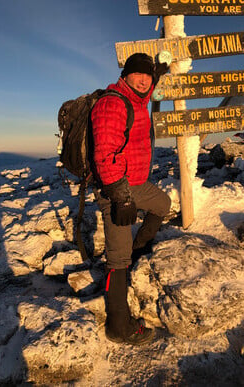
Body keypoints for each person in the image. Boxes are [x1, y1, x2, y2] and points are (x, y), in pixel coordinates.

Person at [90, 53, 171, 346]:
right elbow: (104, 155)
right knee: (117, 257)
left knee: (162, 204)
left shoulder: (136, 98)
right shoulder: (112, 103)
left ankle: (139, 250)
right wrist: (121, 198)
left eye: (148, 76)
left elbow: (146, 89)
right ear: (124, 76)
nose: (144, 80)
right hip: (114, 190)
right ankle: (118, 325)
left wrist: (156, 73)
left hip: (136, 184)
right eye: (138, 74)